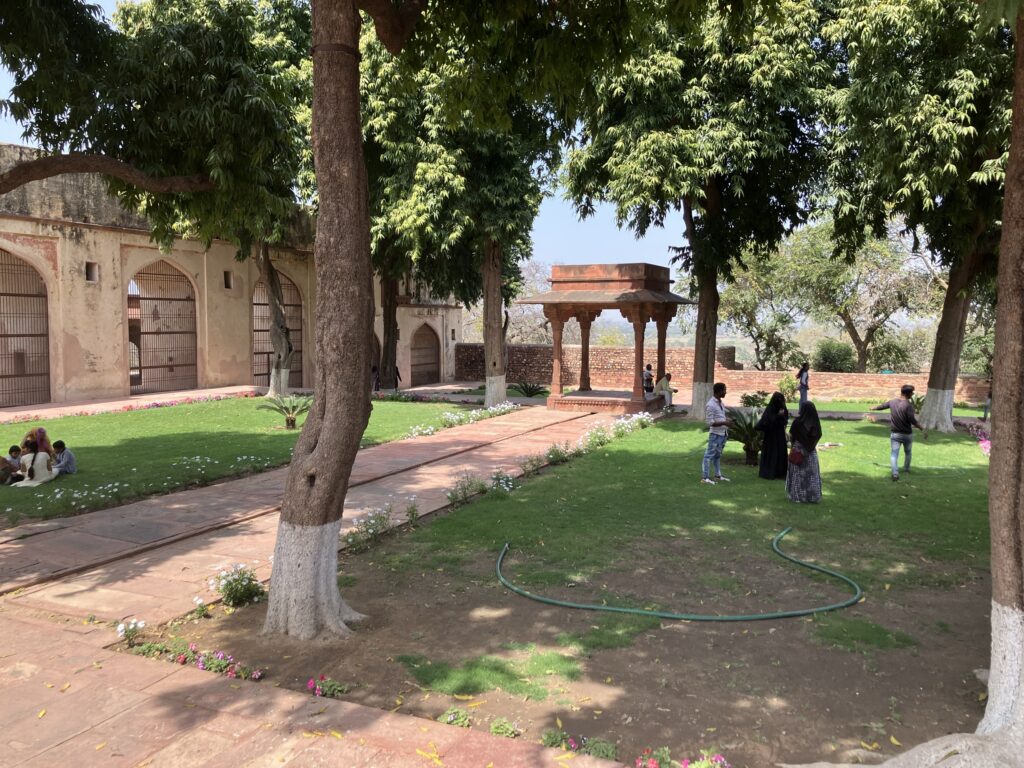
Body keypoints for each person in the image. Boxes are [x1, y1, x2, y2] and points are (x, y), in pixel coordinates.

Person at [872, 384, 927, 481]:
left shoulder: (892, 402)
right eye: (912, 392)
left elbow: (883, 406)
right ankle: (906, 470)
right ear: (908, 393)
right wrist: (922, 429)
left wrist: (874, 408)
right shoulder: (908, 405)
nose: (913, 394)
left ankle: (895, 473)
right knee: (908, 452)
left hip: (895, 434)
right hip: (907, 435)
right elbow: (913, 421)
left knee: (894, 454)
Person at [787, 401, 822, 503]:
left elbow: (791, 436)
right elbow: (818, 435)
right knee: (811, 475)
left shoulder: (797, 422)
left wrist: (794, 446)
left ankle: (797, 496)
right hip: (811, 452)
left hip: (798, 451)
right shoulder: (815, 423)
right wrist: (809, 446)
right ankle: (812, 497)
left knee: (797, 475)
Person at [755, 392, 789, 480]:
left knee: (779, 453)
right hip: (770, 436)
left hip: (780, 436)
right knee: (771, 453)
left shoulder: (783, 409)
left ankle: (779, 472)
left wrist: (781, 416)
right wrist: (777, 416)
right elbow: (766, 422)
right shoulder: (770, 410)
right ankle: (769, 472)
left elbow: (785, 421)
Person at [702, 382, 731, 485]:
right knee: (708, 456)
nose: (725, 392)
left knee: (717, 456)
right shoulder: (711, 405)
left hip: (723, 434)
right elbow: (710, 422)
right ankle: (705, 478)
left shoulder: (721, 403)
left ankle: (718, 475)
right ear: (719, 391)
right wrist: (724, 422)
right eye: (724, 390)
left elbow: (720, 417)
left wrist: (728, 421)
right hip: (715, 435)